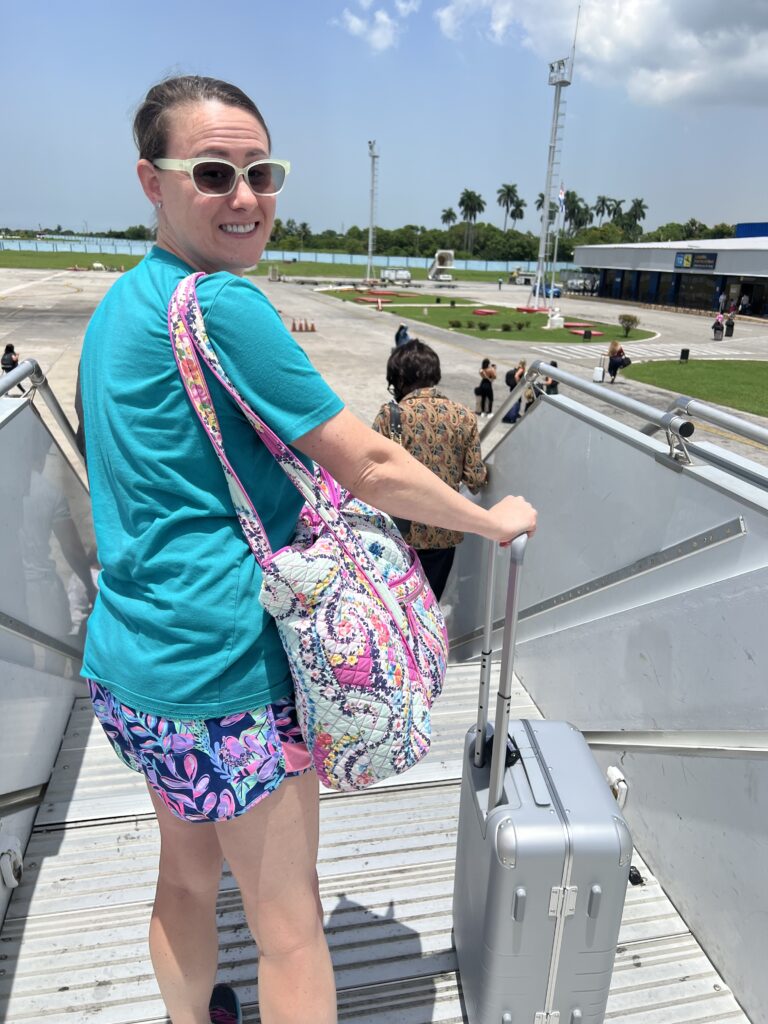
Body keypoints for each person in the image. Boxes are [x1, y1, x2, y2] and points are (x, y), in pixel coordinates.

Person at [78, 75, 537, 1024]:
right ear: (151, 181)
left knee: (186, 882)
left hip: (137, 662)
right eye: (213, 172)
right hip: (230, 672)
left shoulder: (121, 307)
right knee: (289, 929)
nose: (244, 197)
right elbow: (369, 460)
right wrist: (495, 521)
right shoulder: (224, 306)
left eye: (261, 171)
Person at [372, 340, 488, 600]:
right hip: (444, 530)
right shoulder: (465, 416)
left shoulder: (391, 416)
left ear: (399, 378)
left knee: (396, 606)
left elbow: (372, 475)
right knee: (431, 604)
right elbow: (476, 480)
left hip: (400, 533)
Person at [502, 359, 527, 423]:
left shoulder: (517, 367)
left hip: (512, 387)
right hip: (516, 387)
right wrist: (518, 384)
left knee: (514, 400)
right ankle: (514, 414)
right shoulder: (522, 369)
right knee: (517, 401)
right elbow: (516, 376)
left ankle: (513, 414)